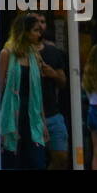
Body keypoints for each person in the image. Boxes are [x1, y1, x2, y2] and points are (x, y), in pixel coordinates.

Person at [0, 13, 48, 170]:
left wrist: (44, 122)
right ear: (24, 32)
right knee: (12, 161)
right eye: (35, 30)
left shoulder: (34, 55)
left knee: (36, 161)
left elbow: (38, 93)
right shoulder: (7, 53)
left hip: (32, 113)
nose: (39, 34)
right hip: (12, 113)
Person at [32, 12, 69, 169]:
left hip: (52, 113)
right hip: (31, 114)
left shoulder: (53, 52)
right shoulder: (19, 52)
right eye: (35, 22)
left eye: (43, 22)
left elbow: (63, 82)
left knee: (61, 157)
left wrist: (53, 74)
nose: (40, 25)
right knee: (34, 159)